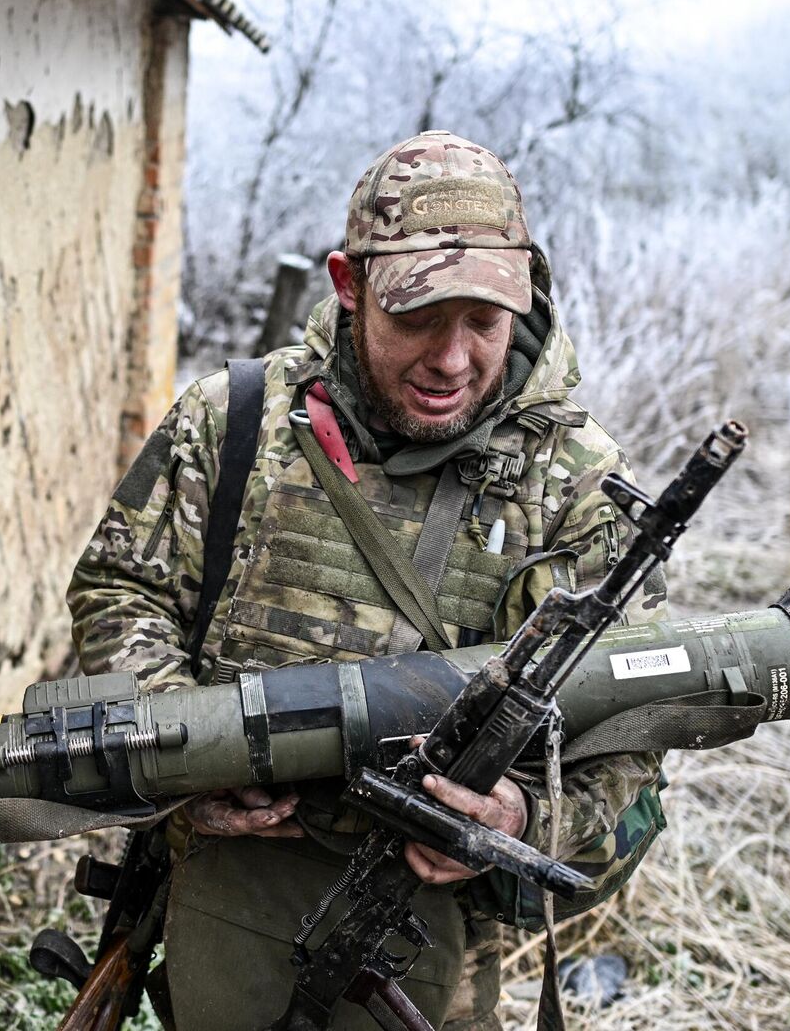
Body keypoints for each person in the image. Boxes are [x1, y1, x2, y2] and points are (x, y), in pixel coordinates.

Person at [67, 131, 670, 1030]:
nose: (453, 359)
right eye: (418, 316)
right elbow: (119, 589)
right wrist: (189, 755)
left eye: (485, 323)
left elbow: (634, 723)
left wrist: (523, 817)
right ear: (349, 287)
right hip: (225, 897)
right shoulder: (233, 424)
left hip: (429, 947)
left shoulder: (578, 487)